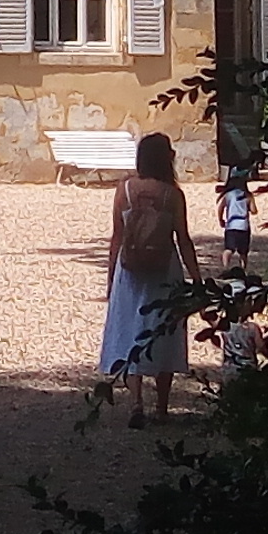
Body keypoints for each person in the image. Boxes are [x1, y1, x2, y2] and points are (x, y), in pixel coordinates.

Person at [98, 130, 206, 426]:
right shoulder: (173, 195)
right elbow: (183, 239)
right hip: (164, 269)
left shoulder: (126, 189)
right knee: (163, 331)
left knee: (131, 330)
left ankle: (135, 402)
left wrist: (110, 279)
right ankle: (161, 407)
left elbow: (116, 237)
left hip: (130, 270)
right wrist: (196, 280)